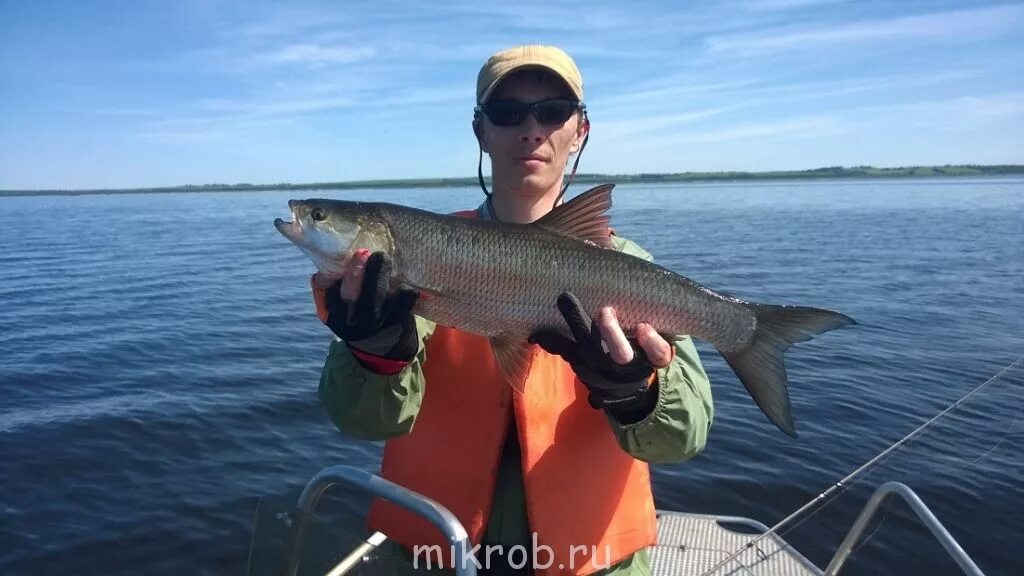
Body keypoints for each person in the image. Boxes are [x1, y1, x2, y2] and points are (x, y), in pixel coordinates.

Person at [309, 45, 714, 576]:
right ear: (481, 131)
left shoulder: (629, 267)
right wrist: (373, 356)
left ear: (580, 130)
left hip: (588, 563)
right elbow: (360, 422)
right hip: (437, 555)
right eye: (508, 112)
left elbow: (683, 441)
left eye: (552, 111)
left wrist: (638, 395)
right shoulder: (407, 262)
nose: (532, 129)